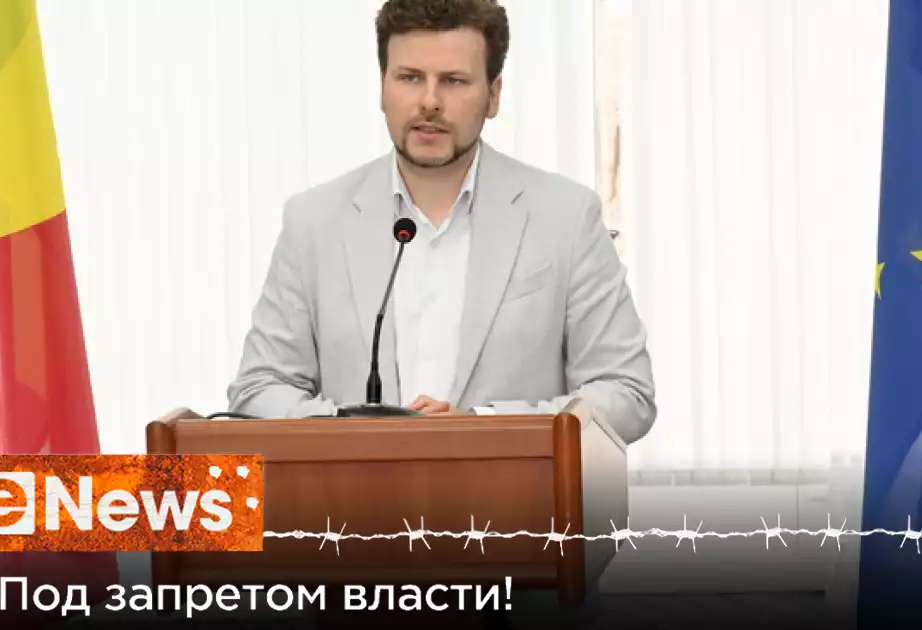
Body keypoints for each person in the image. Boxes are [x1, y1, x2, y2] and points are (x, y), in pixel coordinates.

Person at [227, 0, 656, 446]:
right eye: (410, 78)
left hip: (508, 490)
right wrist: (357, 428)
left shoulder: (566, 217)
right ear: (382, 87)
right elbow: (258, 389)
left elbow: (626, 394)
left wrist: (479, 426)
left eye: (453, 81)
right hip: (353, 490)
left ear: (493, 95)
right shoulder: (314, 221)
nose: (429, 101)